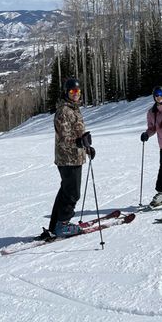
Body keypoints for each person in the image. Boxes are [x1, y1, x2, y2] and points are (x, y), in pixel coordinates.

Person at [46, 77, 95, 238]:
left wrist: (87, 148)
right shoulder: (64, 111)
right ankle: (63, 224)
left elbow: (78, 133)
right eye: (73, 91)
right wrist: (80, 142)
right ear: (66, 92)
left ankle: (55, 224)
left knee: (65, 191)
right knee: (73, 193)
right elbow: (64, 138)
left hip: (75, 156)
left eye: (78, 91)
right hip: (67, 158)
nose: (76, 94)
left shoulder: (74, 109)